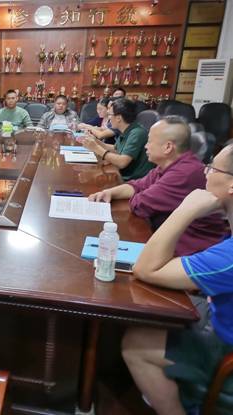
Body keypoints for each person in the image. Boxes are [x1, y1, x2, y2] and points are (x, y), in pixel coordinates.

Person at [122, 144, 233, 415]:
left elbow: (145, 269)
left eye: (213, 168)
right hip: (217, 307)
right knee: (150, 310)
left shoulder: (229, 257)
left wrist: (186, 208)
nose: (205, 173)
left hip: (225, 343)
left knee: (136, 344)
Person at [89, 116, 227, 256]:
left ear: (168, 147)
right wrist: (110, 192)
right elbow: (137, 185)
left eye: (149, 141)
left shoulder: (184, 174)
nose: (146, 146)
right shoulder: (169, 164)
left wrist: (143, 191)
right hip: (167, 239)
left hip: (191, 251)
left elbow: (139, 205)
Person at [82, 98, 154, 181]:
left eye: (110, 115)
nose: (109, 118)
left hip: (133, 180)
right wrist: (96, 141)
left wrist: (96, 148)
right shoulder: (127, 129)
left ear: (119, 118)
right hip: (121, 174)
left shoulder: (137, 133)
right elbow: (116, 149)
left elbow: (122, 162)